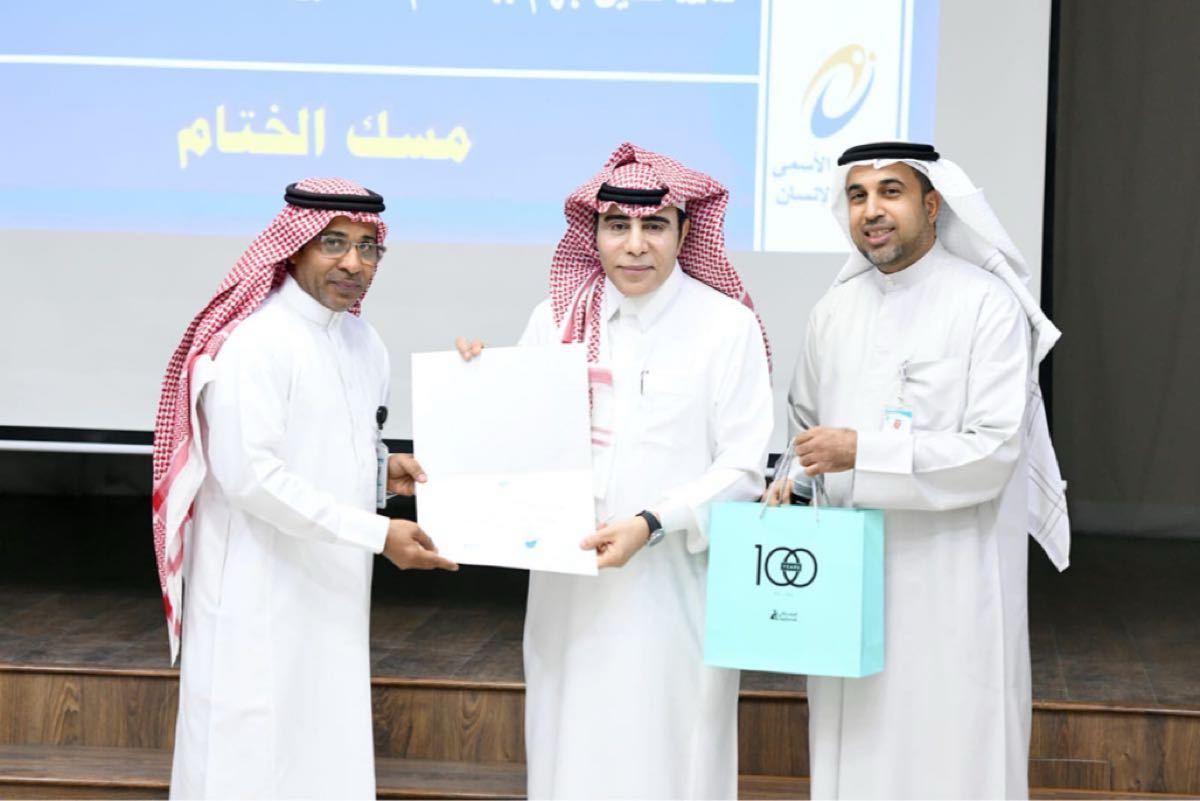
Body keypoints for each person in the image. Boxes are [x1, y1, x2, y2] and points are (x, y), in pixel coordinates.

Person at [458, 143, 773, 799]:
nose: (634, 245)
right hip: (570, 590)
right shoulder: (556, 319)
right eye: (616, 225)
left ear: (684, 231)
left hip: (675, 586)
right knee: (571, 750)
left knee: (669, 753)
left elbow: (743, 468)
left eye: (653, 225)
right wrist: (476, 385)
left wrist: (652, 523)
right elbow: (518, 443)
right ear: (593, 232)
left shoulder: (727, 326)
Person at [767, 141, 1070, 799]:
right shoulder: (833, 311)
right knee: (858, 738)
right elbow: (805, 428)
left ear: (932, 205)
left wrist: (862, 452)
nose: (871, 210)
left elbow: (994, 451)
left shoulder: (986, 304)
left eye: (890, 192)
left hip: (950, 577)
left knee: (949, 741)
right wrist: (792, 480)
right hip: (849, 579)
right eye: (857, 196)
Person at [151, 177, 457, 800]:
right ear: (293, 248)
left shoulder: (363, 342)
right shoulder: (256, 342)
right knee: (249, 758)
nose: (354, 263)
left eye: (368, 247)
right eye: (333, 243)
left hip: (332, 586)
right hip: (255, 592)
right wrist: (378, 533)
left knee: (323, 751)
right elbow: (251, 477)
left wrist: (382, 473)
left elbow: (332, 446)